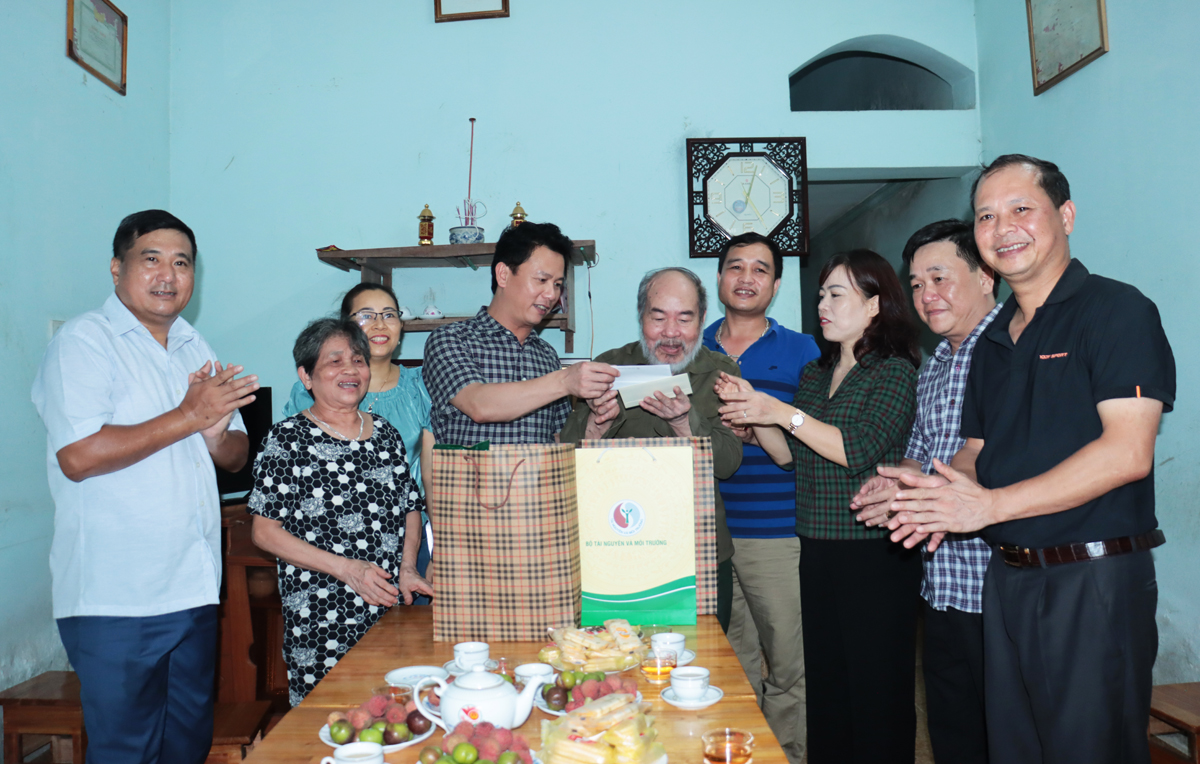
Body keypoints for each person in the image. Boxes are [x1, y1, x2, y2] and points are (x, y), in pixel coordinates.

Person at [888, 155, 1176, 764]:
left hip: (1092, 581)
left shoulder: (1116, 310)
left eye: (1022, 209)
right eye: (986, 215)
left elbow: (1128, 453)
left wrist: (989, 506)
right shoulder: (993, 341)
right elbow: (974, 452)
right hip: (1008, 578)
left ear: (1065, 216)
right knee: (1013, 750)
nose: (1002, 227)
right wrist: (927, 493)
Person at [31, 210, 258, 764]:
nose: (167, 274)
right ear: (117, 268)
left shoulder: (192, 344)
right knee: (126, 752)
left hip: (192, 587)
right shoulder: (86, 341)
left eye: (182, 263)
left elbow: (236, 455)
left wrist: (211, 431)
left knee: (185, 746)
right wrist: (188, 414)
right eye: (150, 259)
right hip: (116, 597)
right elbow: (80, 456)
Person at [716, 249, 921, 764]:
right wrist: (755, 411)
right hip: (817, 545)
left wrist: (778, 410)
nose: (823, 305)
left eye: (836, 294)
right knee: (828, 686)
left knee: (876, 690)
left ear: (874, 304)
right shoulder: (816, 372)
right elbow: (790, 455)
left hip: (874, 551)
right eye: (821, 295)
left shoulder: (893, 371)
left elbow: (857, 449)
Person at [850, 220, 1000, 764]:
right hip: (942, 584)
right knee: (953, 727)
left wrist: (919, 494)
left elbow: (985, 454)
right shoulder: (936, 362)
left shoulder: (1010, 350)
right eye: (915, 284)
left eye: (939, 278)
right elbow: (921, 447)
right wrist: (891, 484)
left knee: (1005, 733)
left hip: (998, 582)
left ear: (986, 275)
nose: (925, 295)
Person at [249, 318, 431, 705]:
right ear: (307, 375)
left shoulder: (385, 433)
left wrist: (408, 566)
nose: (351, 370)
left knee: (394, 716)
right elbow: (264, 532)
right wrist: (349, 569)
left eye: (358, 360)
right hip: (321, 616)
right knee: (331, 723)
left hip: (387, 607)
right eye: (335, 361)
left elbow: (411, 506)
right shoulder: (287, 439)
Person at [560, 267, 743, 627]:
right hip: (615, 548)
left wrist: (683, 424)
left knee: (701, 660)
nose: (671, 333)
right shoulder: (606, 370)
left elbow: (728, 464)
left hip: (697, 552)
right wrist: (597, 425)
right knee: (616, 661)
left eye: (684, 318)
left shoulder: (723, 374)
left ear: (703, 320)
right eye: (658, 318)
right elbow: (565, 461)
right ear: (641, 317)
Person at [701, 233, 818, 764]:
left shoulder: (804, 351)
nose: (746, 278)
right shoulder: (693, 347)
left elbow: (815, 439)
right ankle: (739, 753)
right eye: (735, 266)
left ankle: (788, 755)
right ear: (719, 277)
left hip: (779, 534)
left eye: (760, 269)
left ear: (775, 284)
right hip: (710, 534)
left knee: (790, 664)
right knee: (730, 663)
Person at [283, 283, 434, 604]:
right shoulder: (308, 391)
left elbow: (432, 482)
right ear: (346, 325)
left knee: (407, 645)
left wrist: (441, 549)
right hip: (325, 546)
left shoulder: (420, 387)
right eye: (367, 315)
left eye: (390, 314)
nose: (380, 324)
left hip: (407, 542)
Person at [422, 222, 618, 446]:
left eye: (557, 284)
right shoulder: (451, 340)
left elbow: (557, 439)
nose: (551, 294)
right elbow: (478, 404)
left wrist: (597, 421)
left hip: (539, 481)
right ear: (503, 275)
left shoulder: (547, 355)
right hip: (475, 481)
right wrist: (565, 380)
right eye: (542, 280)